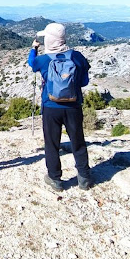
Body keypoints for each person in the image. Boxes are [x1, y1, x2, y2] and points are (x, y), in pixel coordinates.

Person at [28, 23, 92, 191]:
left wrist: (34, 48)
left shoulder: (42, 60)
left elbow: (31, 63)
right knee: (78, 141)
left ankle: (55, 179)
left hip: (51, 107)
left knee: (51, 143)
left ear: (49, 40)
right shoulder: (77, 57)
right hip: (73, 107)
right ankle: (84, 178)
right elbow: (84, 82)